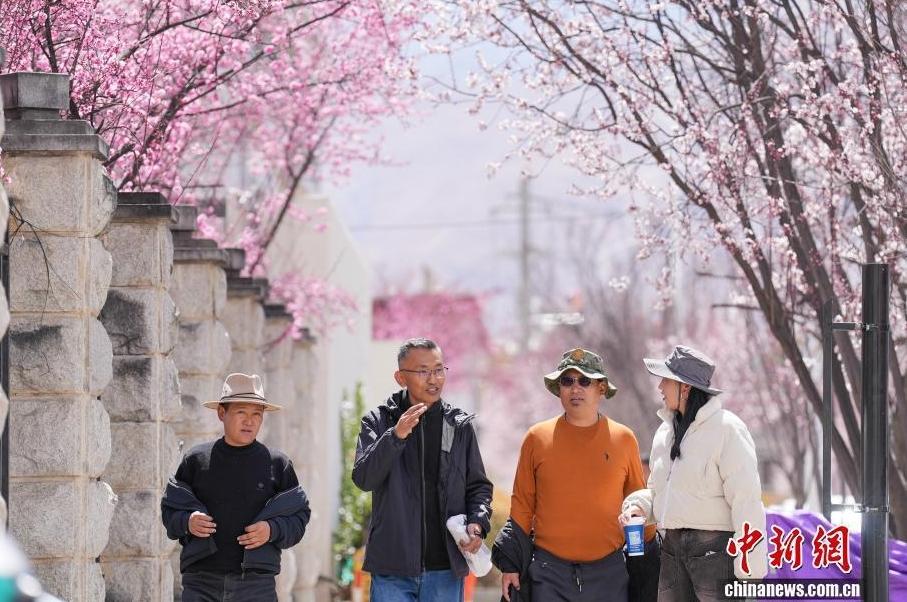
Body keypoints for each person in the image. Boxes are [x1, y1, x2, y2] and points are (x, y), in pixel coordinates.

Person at [496, 348, 652, 602]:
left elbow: (638, 502)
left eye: (585, 381)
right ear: (559, 389)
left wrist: (652, 556)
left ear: (601, 388)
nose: (575, 388)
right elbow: (522, 505)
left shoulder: (624, 439)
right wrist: (511, 564)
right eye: (567, 381)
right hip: (548, 573)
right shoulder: (536, 438)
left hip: (609, 574)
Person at [620, 345, 768, 601]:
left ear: (685, 387)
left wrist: (751, 573)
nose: (660, 388)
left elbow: (746, 500)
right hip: (671, 553)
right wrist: (638, 507)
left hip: (716, 554)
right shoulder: (664, 434)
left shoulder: (728, 429)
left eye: (665, 380)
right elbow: (659, 493)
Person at [352, 337, 493, 602]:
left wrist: (477, 524)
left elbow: (478, 486)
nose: (434, 379)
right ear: (400, 377)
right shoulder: (378, 422)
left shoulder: (458, 425)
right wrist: (395, 436)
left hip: (445, 569)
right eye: (423, 371)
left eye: (439, 370)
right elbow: (363, 478)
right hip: (392, 568)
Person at [161, 373, 311, 601]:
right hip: (200, 582)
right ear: (222, 413)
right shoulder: (195, 460)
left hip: (256, 586)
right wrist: (187, 522)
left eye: (256, 414)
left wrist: (273, 530)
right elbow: (170, 510)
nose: (250, 421)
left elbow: (299, 518)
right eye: (241, 412)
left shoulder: (278, 464)